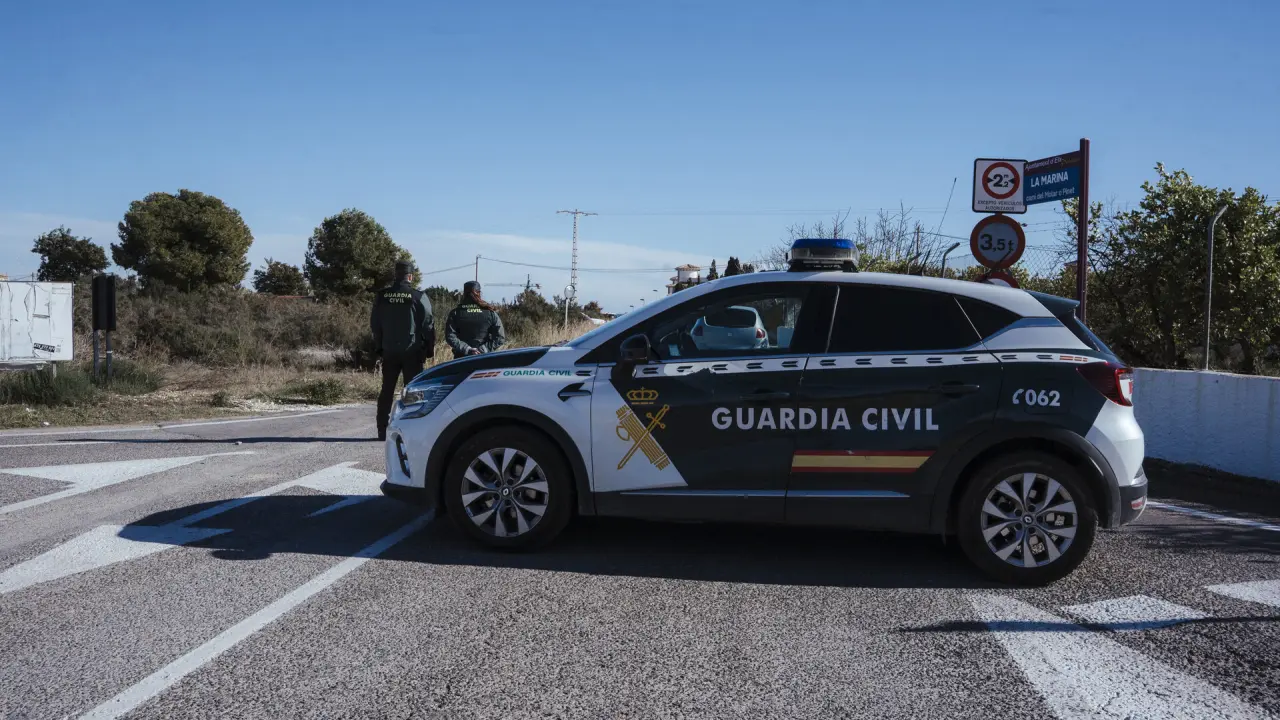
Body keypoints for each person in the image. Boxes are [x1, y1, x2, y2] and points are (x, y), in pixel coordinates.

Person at [371, 261, 434, 441]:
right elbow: (428, 324)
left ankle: (382, 430)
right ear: (410, 276)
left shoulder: (382, 296)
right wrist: (429, 349)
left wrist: (379, 347)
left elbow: (375, 324)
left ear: (396, 275)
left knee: (387, 390)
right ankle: (412, 430)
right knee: (413, 392)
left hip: (389, 350)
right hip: (412, 352)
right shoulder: (418, 296)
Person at [445, 281, 505, 359]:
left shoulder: (456, 313)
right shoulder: (490, 313)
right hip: (484, 358)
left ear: (464, 294)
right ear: (479, 293)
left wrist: (467, 349)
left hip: (461, 359)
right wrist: (483, 349)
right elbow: (500, 338)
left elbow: (450, 336)